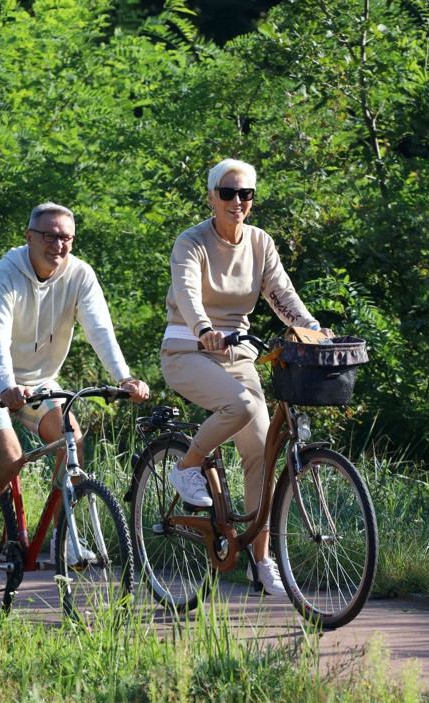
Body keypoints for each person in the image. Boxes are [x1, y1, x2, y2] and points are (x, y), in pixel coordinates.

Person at [0, 202, 149, 573]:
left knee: (71, 439)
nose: (57, 244)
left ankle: (62, 536)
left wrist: (124, 376)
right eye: (48, 235)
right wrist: (6, 385)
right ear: (28, 237)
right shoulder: (5, 273)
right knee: (10, 460)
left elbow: (99, 329)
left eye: (65, 237)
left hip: (39, 380)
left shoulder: (80, 275)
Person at [161, 158, 325, 596]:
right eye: (229, 193)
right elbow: (187, 292)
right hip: (186, 350)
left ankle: (261, 560)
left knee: (261, 453)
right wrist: (204, 331)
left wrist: (312, 331)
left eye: (246, 194)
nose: (238, 202)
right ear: (212, 195)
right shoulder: (191, 241)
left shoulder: (259, 243)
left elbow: (281, 293)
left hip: (236, 354)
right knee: (244, 404)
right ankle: (187, 466)